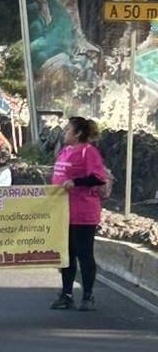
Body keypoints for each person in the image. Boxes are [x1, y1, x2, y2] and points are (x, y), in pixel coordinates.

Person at [51, 116, 108, 312]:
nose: (65, 132)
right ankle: (66, 294)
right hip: (62, 212)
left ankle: (87, 295)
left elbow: (98, 177)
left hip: (83, 211)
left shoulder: (88, 152)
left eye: (68, 130)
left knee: (84, 253)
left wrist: (76, 183)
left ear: (78, 134)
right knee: (66, 254)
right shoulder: (64, 152)